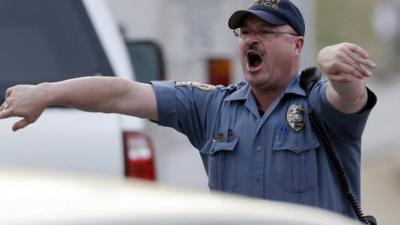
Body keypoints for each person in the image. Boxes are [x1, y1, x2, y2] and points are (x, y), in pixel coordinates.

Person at [0, 0, 376, 220]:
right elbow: (121, 95)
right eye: (245, 32)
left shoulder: (316, 105)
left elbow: (348, 95)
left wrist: (332, 60)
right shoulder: (212, 106)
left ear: (296, 45)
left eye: (265, 32)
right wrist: (47, 92)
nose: (251, 39)